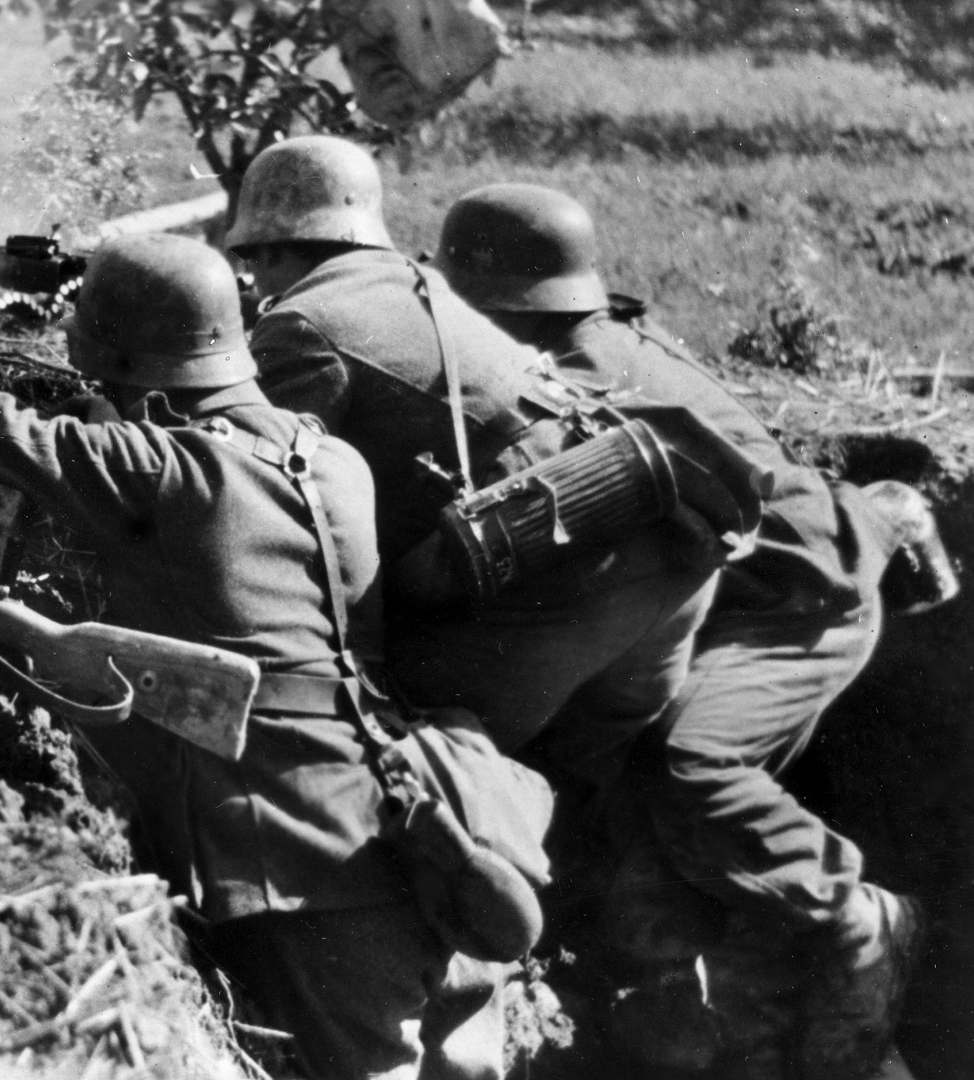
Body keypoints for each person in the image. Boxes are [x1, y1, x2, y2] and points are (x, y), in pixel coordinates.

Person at [0, 234, 537, 1080]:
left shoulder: (165, 469)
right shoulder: (336, 462)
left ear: (124, 372)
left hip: (307, 866)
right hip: (424, 826)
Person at [435, 182, 938, 1080]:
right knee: (643, 834)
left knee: (692, 765)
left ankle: (853, 912)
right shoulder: (598, 340)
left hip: (802, 600)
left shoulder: (577, 379)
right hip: (750, 591)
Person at [228, 134, 724, 789]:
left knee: (390, 761)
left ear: (275, 244)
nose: (252, 281)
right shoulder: (423, 284)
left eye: (254, 261)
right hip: (656, 544)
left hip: (562, 574)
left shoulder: (300, 324)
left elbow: (252, 491)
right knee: (577, 796)